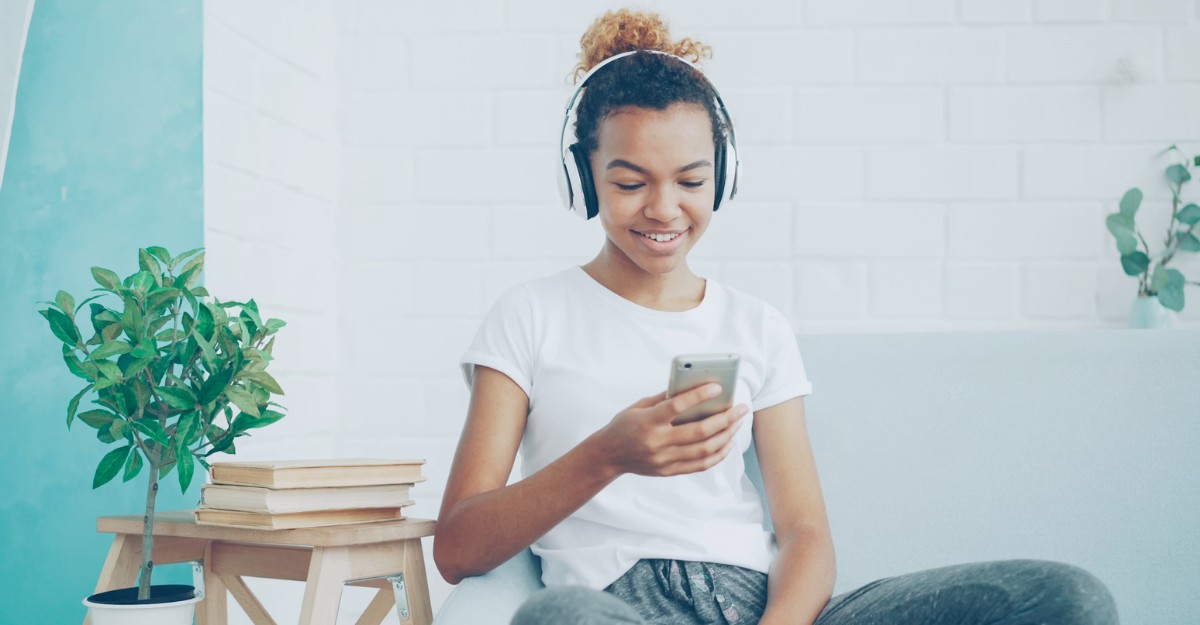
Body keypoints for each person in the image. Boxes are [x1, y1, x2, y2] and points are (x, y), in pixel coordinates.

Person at [433, 8, 1120, 625]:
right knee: (560, 616)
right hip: (619, 606)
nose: (665, 208)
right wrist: (607, 456)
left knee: (1066, 597)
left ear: (724, 177)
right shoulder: (528, 316)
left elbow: (805, 533)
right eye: (630, 181)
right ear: (582, 176)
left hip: (767, 604)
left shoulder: (756, 325)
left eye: (692, 181)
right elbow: (459, 546)